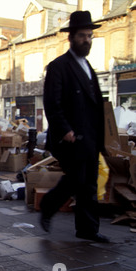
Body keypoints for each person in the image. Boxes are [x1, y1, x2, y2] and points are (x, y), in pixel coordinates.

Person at [40, 11, 109, 243]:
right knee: (77, 179)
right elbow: (52, 102)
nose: (87, 40)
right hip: (70, 136)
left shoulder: (88, 66)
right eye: (82, 35)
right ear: (71, 37)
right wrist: (64, 129)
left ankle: (88, 229)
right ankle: (49, 205)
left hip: (90, 136)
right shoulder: (59, 66)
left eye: (90, 36)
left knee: (88, 182)